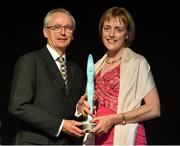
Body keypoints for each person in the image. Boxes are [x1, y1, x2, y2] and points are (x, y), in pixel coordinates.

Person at [79, 7, 161, 145]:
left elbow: (154, 108)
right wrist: (83, 106)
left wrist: (114, 119)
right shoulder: (97, 65)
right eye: (107, 28)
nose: (111, 34)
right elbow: (90, 105)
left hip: (126, 135)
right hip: (97, 138)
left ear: (127, 34)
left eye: (118, 29)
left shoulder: (137, 62)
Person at [8, 8, 86, 145]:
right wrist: (60, 125)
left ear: (73, 34)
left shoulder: (76, 70)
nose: (62, 32)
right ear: (45, 32)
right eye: (56, 27)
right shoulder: (30, 61)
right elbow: (18, 106)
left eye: (68, 28)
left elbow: (69, 117)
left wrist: (78, 111)